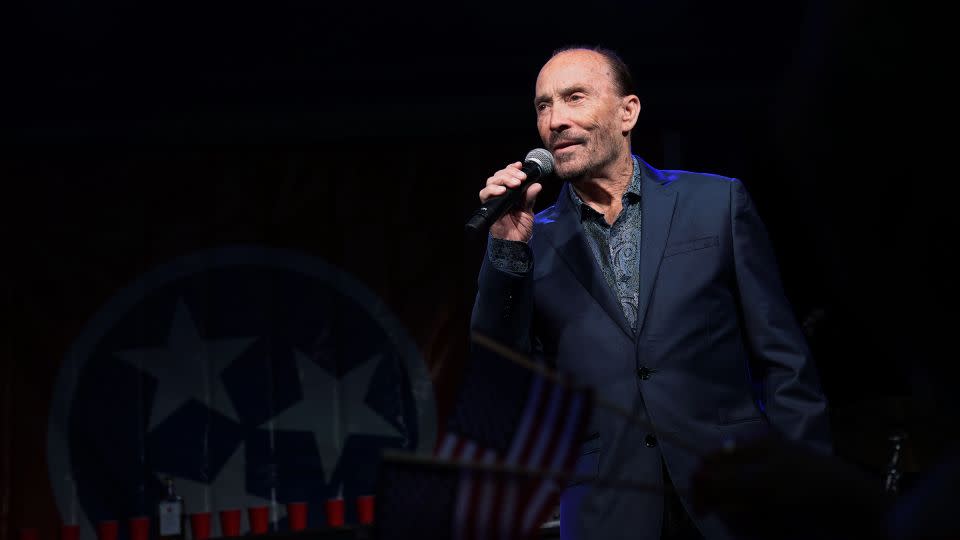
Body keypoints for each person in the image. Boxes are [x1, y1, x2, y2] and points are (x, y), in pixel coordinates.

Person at [469, 45, 832, 540]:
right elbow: (499, 377)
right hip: (610, 510)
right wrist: (504, 253)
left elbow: (785, 359)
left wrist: (808, 484)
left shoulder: (716, 203)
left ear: (627, 111)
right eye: (543, 106)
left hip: (739, 496)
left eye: (574, 98)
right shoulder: (532, 240)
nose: (555, 120)